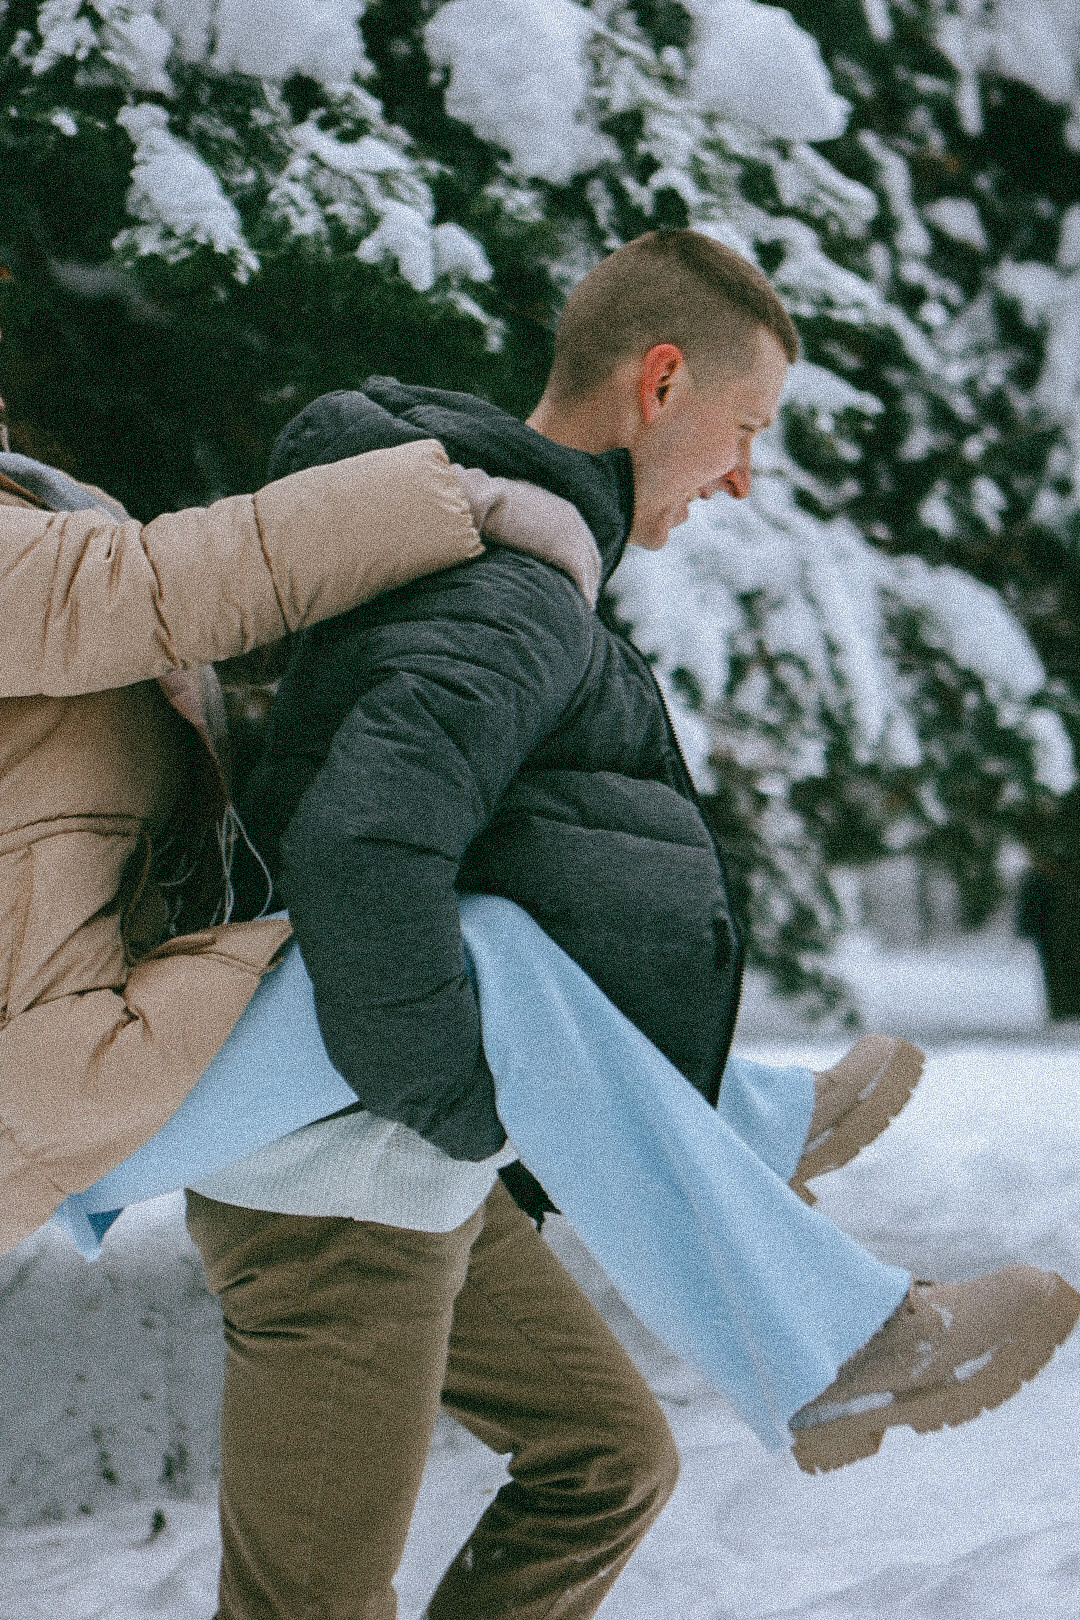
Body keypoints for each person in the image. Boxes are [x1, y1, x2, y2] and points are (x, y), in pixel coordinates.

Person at [175, 230, 1078, 1620]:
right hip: (343, 1186)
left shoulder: (497, 547)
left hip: (387, 1151)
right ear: (661, 383)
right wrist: (460, 1102)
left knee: (605, 1459)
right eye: (743, 428)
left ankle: (746, 1131)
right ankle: (819, 1278)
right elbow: (363, 846)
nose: (743, 476)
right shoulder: (508, 588)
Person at [0, 432, 510, 1253]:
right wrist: (466, 501)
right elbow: (153, 588)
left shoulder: (40, 503)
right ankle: (749, 1128)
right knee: (486, 966)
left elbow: (184, 626)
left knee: (428, 1189)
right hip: (59, 1073)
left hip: (91, 1042)